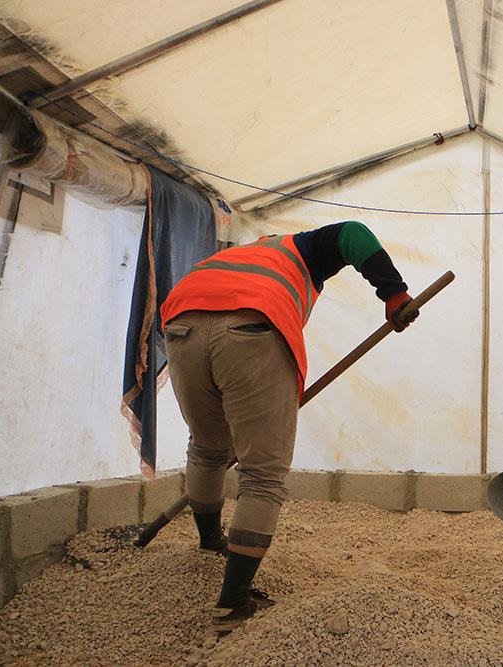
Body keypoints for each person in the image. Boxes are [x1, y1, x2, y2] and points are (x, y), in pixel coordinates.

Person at [159, 221, 418, 632]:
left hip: (180, 325)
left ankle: (210, 542)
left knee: (208, 449)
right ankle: (232, 604)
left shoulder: (235, 255)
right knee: (262, 474)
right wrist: (393, 292)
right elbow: (352, 234)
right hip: (251, 323)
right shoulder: (302, 248)